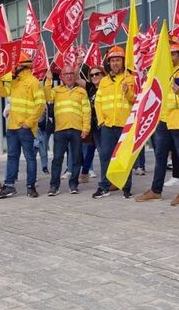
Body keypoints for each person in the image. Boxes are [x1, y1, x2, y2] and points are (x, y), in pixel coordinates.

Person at [136, 36, 179, 206]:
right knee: (160, 157)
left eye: (173, 54)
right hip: (163, 121)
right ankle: (156, 191)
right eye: (168, 55)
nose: (170, 58)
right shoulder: (162, 72)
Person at [0, 53, 45, 199]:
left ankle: (31, 187)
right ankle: (9, 186)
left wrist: (29, 123)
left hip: (25, 128)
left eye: (15, 65)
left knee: (29, 157)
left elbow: (41, 104)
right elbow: (2, 92)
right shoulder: (15, 82)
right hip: (12, 127)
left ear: (22, 66)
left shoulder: (33, 82)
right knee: (12, 157)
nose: (13, 67)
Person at [93, 46, 135, 199]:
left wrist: (128, 91)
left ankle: (126, 187)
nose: (115, 63)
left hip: (125, 125)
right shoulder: (104, 81)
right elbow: (98, 102)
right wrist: (102, 121)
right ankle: (104, 186)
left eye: (118, 60)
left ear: (123, 61)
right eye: (112, 61)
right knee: (105, 156)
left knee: (124, 157)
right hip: (108, 125)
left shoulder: (131, 78)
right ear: (109, 63)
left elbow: (136, 100)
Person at [44, 66, 91, 195]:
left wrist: (86, 128)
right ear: (62, 77)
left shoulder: (81, 92)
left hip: (77, 129)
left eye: (71, 73)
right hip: (60, 129)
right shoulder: (56, 91)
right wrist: (48, 80)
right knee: (57, 159)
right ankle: (54, 186)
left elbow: (86, 111)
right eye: (66, 74)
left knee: (76, 159)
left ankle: (74, 184)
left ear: (74, 76)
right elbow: (47, 96)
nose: (69, 76)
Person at [80, 66, 103, 183]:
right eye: (92, 75)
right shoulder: (90, 88)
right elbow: (77, 79)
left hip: (104, 124)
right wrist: (77, 64)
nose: (94, 76)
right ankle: (84, 173)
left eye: (97, 74)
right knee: (90, 148)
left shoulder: (107, 87)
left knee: (102, 151)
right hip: (93, 124)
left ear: (103, 74)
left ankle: (107, 178)